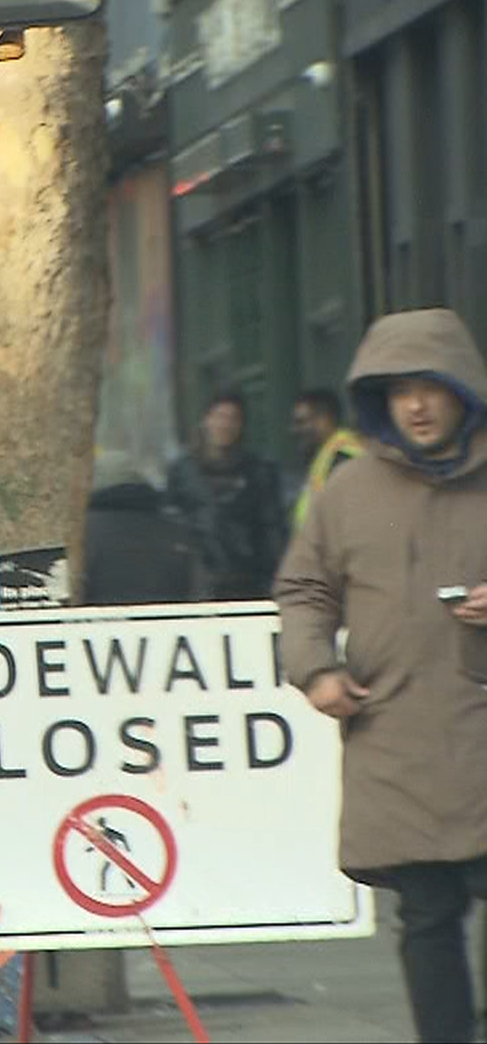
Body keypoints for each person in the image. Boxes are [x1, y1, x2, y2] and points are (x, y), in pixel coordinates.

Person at [273, 307, 487, 1044]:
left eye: (432, 386)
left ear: (466, 389)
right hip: (398, 734)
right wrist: (316, 670)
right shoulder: (349, 492)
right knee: (427, 918)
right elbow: (304, 590)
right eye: (400, 391)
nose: (418, 405)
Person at [165, 391, 287, 599]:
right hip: (199, 581)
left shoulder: (258, 471)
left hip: (249, 580)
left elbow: (271, 528)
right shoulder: (182, 471)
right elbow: (172, 523)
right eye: (219, 417)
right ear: (206, 420)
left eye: (233, 419)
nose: (225, 425)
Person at [81, 455, 205, 605]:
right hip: (167, 626)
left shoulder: (83, 534)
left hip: (97, 625)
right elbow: (200, 595)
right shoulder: (176, 533)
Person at [289, 386, 365, 529]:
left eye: (301, 422)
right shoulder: (326, 457)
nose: (294, 430)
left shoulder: (343, 458)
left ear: (324, 419)